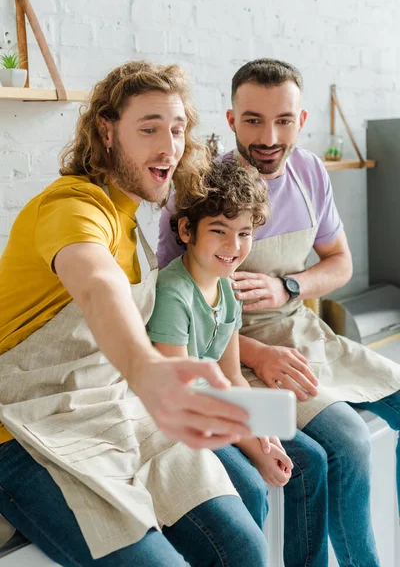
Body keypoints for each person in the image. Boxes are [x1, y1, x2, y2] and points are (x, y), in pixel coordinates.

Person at [0, 61, 269, 567]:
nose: (168, 146)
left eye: (176, 128)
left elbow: (227, 370)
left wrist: (259, 419)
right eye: (148, 129)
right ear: (106, 130)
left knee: (245, 535)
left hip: (114, 409)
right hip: (24, 428)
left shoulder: (134, 227)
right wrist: (147, 371)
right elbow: (99, 286)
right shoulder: (72, 205)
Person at [157, 58, 400, 567]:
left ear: (301, 119)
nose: (269, 136)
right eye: (253, 121)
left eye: (284, 121)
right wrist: (257, 355)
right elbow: (187, 315)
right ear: (230, 120)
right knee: (347, 443)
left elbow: (340, 264)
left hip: (303, 332)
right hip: (241, 355)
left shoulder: (310, 172)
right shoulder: (199, 190)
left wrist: (289, 285)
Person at [147, 156, 293, 488]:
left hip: (216, 408)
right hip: (180, 417)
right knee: (252, 486)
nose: (234, 245)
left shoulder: (226, 287)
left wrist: (263, 433)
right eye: (219, 230)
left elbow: (230, 376)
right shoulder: (173, 294)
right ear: (186, 229)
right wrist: (254, 449)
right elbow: (181, 394)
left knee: (302, 458)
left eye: (244, 233)